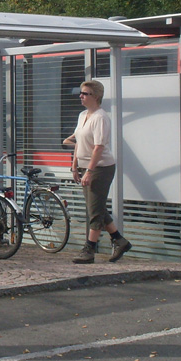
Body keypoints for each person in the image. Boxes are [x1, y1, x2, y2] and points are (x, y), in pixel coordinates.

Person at [66, 80, 131, 264]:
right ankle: (119, 240)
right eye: (81, 93)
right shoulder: (82, 115)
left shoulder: (101, 117)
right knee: (98, 206)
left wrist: (89, 171)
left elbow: (98, 147)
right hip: (86, 166)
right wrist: (74, 165)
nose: (81, 96)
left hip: (101, 168)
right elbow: (78, 142)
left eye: (85, 93)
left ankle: (89, 249)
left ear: (96, 96)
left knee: (94, 210)